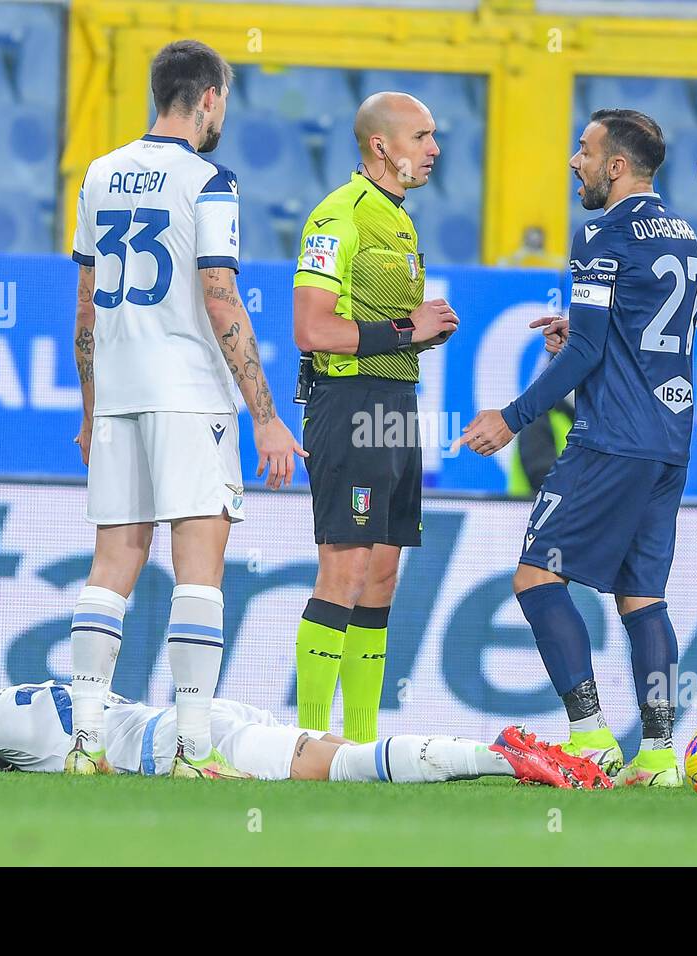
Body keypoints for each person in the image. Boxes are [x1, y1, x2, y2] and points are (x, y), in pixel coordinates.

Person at [67, 40, 303, 779]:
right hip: (189, 394)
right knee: (199, 570)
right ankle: (193, 750)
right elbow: (219, 294)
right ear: (208, 98)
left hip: (120, 395)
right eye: (223, 99)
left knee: (111, 567)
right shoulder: (210, 180)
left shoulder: (98, 175)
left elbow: (84, 306)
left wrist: (90, 410)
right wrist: (263, 413)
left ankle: (85, 745)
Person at [453, 109, 697, 788]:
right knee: (642, 596)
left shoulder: (602, 234)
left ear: (616, 166)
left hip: (611, 438)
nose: (574, 162)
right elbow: (643, 330)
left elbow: (588, 350)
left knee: (536, 576)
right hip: (670, 440)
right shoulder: (684, 235)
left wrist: (512, 415)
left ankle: (590, 736)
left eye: (585, 151)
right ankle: (658, 756)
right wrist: (587, 331)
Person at [289, 92, 459, 742]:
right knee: (347, 567)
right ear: (381, 147)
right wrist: (403, 329)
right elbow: (311, 328)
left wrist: (416, 336)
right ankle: (308, 740)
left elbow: (386, 328)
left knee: (384, 570)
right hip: (349, 401)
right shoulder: (339, 214)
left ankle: (358, 745)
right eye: (422, 136)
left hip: (397, 404)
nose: (435, 149)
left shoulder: (399, 219)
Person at [0, 680, 611, 790]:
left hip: (179, 743)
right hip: (197, 721)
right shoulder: (44, 693)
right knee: (340, 759)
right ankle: (507, 749)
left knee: (348, 768)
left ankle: (498, 756)